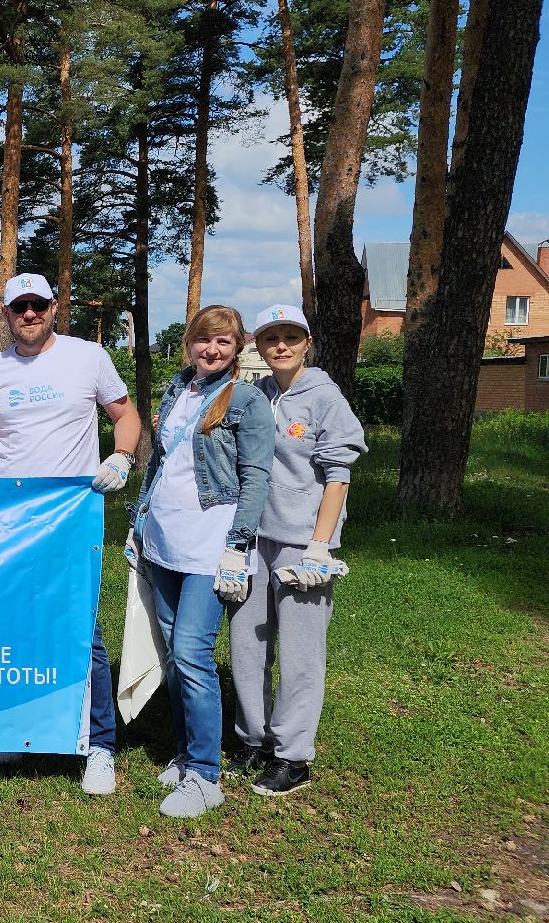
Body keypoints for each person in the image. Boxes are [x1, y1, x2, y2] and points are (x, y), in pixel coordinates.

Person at [0, 273, 141, 793]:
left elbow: (125, 416)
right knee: (13, 625)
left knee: (82, 631)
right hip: (9, 518)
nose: (30, 314)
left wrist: (123, 456)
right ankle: (20, 730)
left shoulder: (87, 357)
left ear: (55, 307)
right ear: (7, 313)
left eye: (38, 304)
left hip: (70, 515)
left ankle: (99, 744)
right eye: (20, 307)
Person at [129, 304, 274, 819]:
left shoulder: (247, 401)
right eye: (204, 341)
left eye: (225, 344)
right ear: (190, 341)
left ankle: (206, 776)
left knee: (191, 651)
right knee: (172, 651)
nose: (212, 351)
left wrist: (239, 543)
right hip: (166, 538)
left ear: (238, 351)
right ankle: (188, 753)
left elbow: (256, 477)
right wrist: (139, 521)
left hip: (212, 545)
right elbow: (163, 463)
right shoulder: (178, 389)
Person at [228, 303, 365, 797]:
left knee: (301, 651)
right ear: (257, 347)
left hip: (303, 544)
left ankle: (292, 756)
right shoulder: (257, 393)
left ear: (307, 342)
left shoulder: (324, 396)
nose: (280, 346)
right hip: (253, 539)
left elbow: (338, 473)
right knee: (247, 644)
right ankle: (254, 738)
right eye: (270, 338)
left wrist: (319, 546)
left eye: (291, 336)